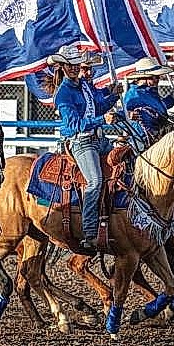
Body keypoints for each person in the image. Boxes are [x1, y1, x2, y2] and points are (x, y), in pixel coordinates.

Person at [52, 45, 121, 255]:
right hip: (81, 142)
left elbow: (96, 109)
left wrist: (113, 98)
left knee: (127, 161)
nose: (73, 68)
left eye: (75, 65)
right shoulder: (63, 94)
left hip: (98, 138)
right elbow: (74, 124)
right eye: (70, 65)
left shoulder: (84, 86)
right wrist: (102, 119)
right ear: (63, 67)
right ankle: (89, 232)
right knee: (95, 181)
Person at [123, 56, 174, 144]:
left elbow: (158, 108)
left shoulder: (151, 91)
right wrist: (129, 115)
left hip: (158, 135)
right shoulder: (133, 94)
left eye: (158, 76)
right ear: (145, 77)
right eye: (155, 77)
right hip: (143, 139)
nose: (158, 79)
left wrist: (171, 99)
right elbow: (126, 116)